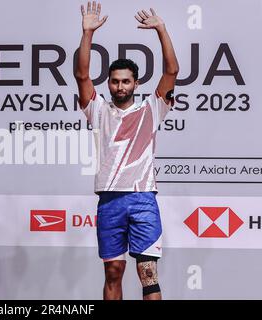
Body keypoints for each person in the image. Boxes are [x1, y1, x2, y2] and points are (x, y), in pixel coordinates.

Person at [75, 2, 179, 300]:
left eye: (126, 81)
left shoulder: (152, 109)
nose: (120, 86)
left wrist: (161, 29)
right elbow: (82, 76)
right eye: (115, 81)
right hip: (109, 201)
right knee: (112, 273)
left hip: (143, 198)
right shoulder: (98, 110)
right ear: (109, 83)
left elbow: (172, 70)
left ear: (136, 83)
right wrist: (87, 33)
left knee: (148, 275)